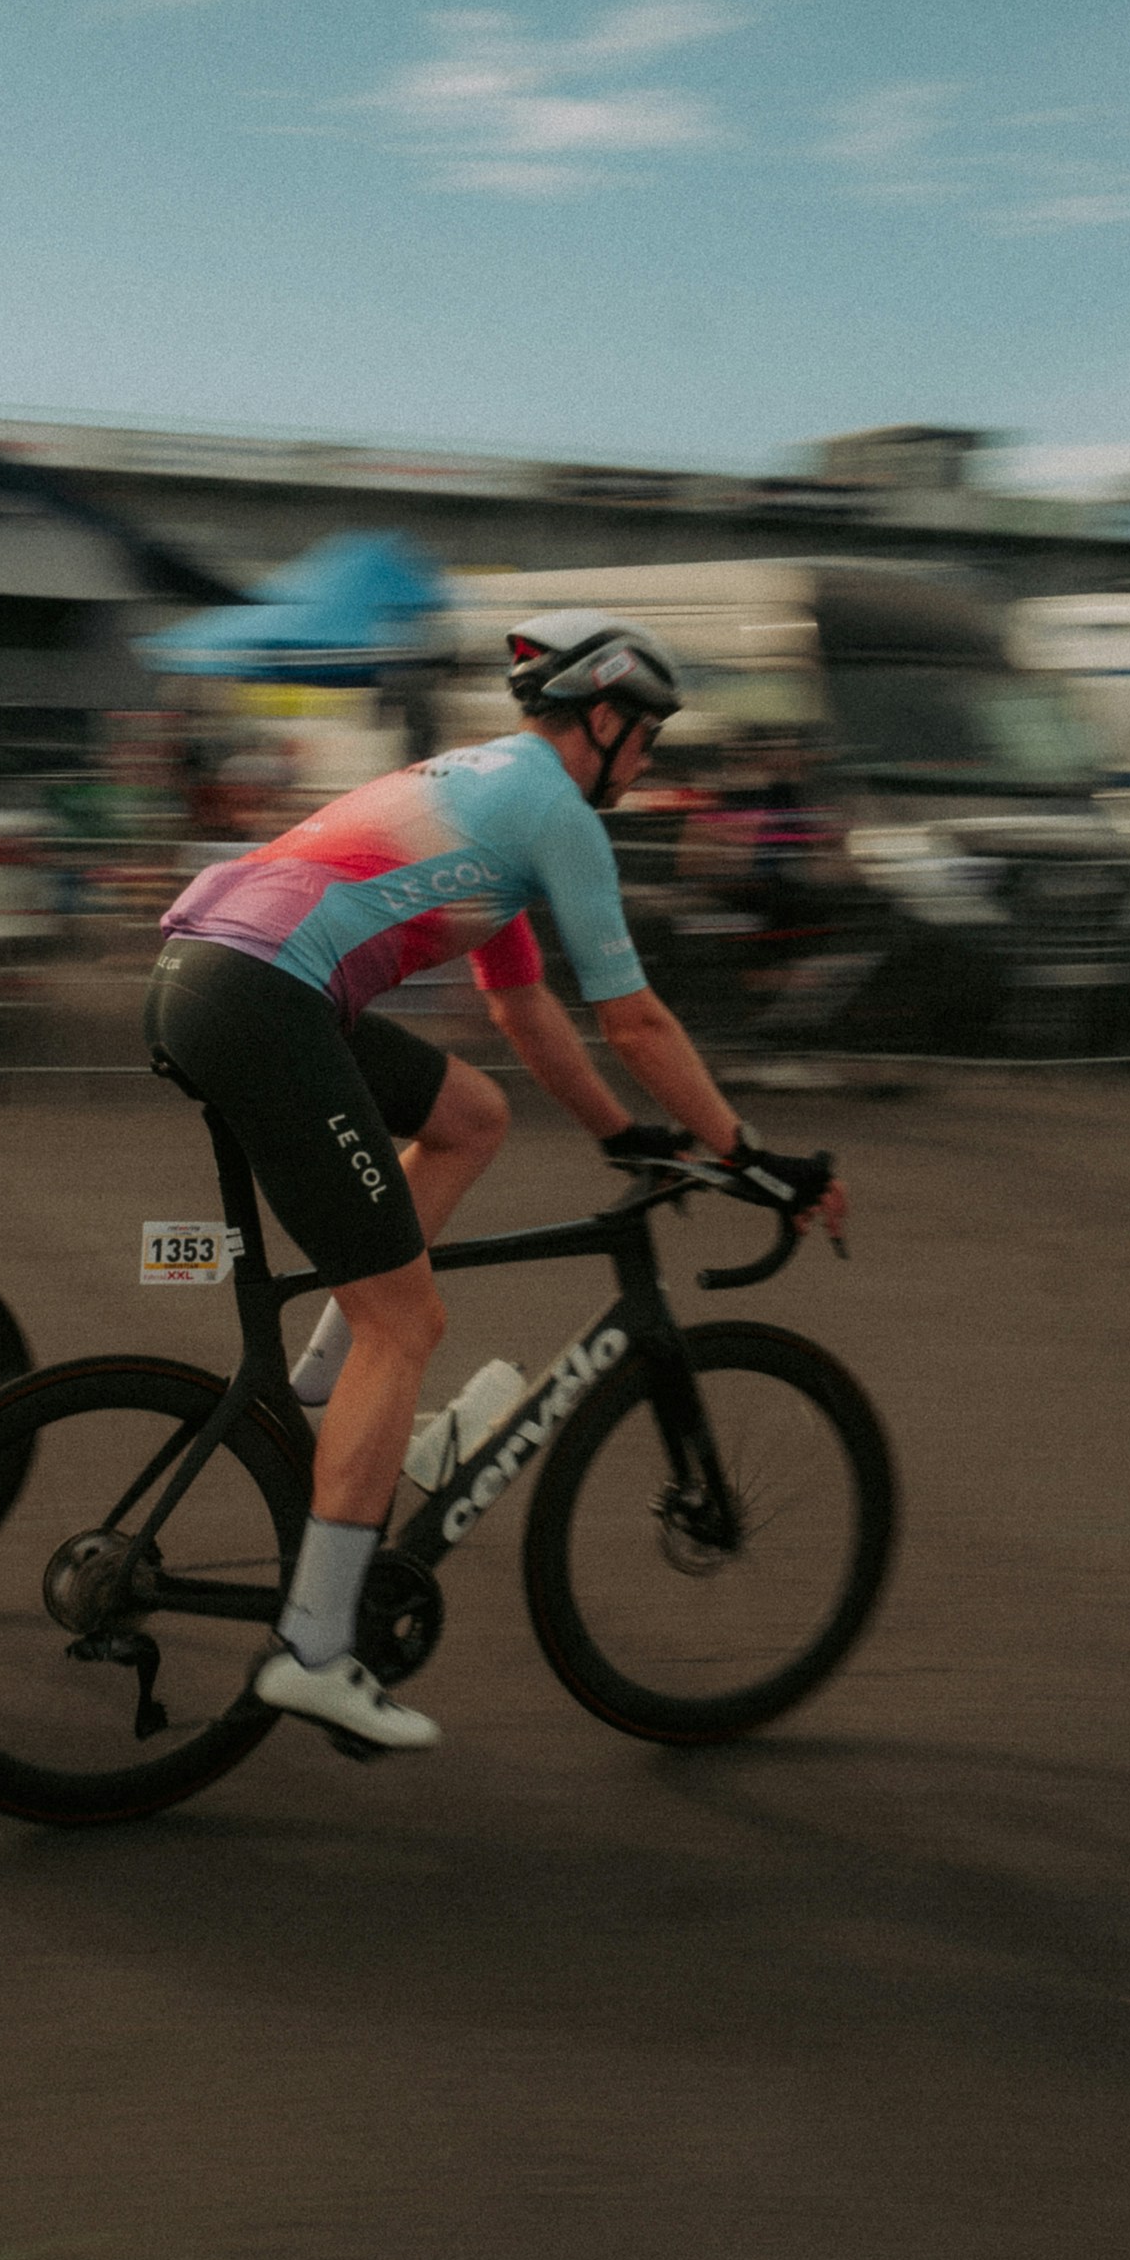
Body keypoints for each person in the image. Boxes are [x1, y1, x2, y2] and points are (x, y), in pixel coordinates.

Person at [145, 611, 843, 1755]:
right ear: (603, 719)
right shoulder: (553, 811)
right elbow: (632, 1014)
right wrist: (748, 1154)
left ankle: (325, 1384)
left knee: (469, 1113)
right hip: (262, 999)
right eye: (649, 734)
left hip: (218, 978)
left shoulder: (489, 793)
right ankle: (313, 1648)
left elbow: (525, 1010)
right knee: (405, 1320)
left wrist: (621, 1134)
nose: (652, 757)